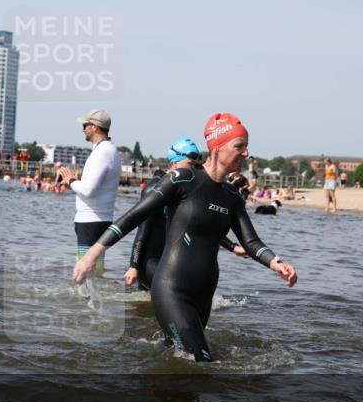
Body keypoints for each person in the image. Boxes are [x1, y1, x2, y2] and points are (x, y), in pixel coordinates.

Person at [73, 113, 297, 362]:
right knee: (202, 362)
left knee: (178, 357)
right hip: (171, 288)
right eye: (239, 146)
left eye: (246, 146)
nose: (246, 153)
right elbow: (133, 217)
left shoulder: (232, 196)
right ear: (217, 147)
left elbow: (251, 242)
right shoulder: (183, 180)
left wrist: (275, 262)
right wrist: (92, 255)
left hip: (204, 293)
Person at [124, 137, 247, 292]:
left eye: (196, 165)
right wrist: (133, 266)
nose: (194, 168)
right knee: (170, 292)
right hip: (150, 260)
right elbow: (142, 231)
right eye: (190, 164)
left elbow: (200, 224)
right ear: (175, 161)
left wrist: (232, 247)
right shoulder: (154, 189)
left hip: (171, 260)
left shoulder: (188, 188)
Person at [56, 110, 121, 274]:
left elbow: (89, 190)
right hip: (97, 220)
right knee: (93, 273)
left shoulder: (102, 152)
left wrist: (71, 180)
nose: (83, 129)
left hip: (91, 221)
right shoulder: (107, 150)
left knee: (85, 274)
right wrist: (79, 181)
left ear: (95, 127)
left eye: (85, 125)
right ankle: (93, 299)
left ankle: (89, 299)